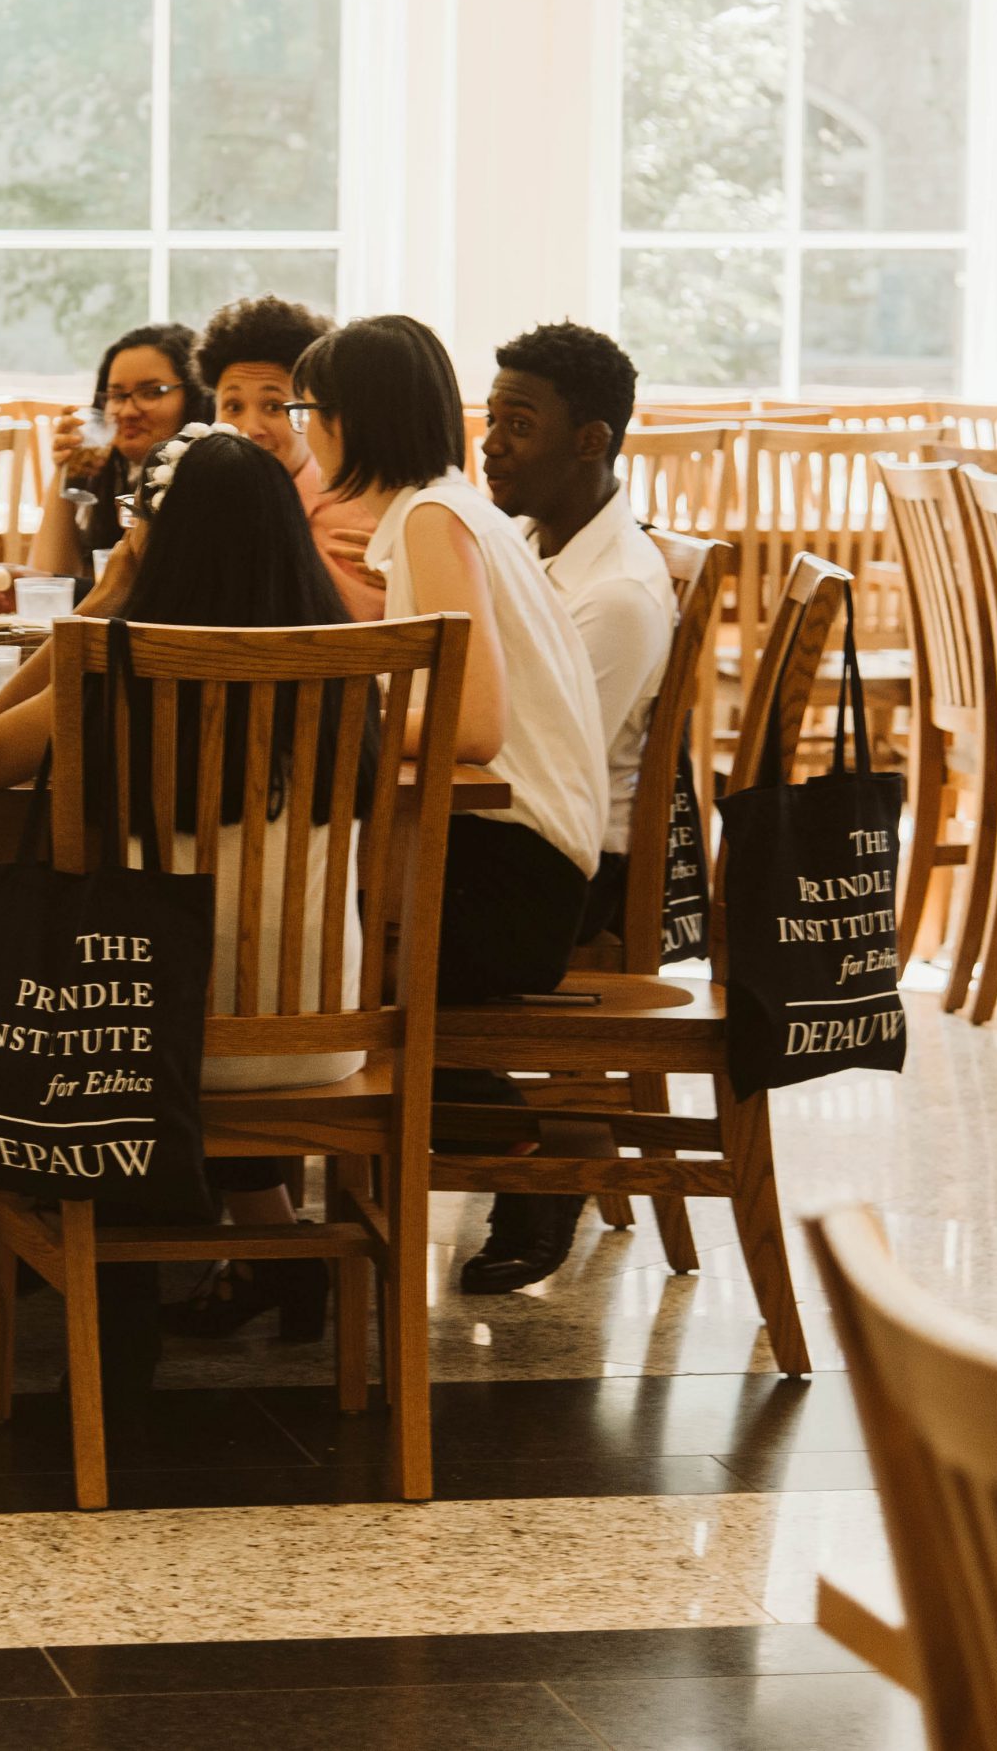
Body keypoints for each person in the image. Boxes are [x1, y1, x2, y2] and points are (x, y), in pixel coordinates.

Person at [0, 426, 376, 1385]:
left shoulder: (125, 672)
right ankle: (283, 1255)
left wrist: (99, 612)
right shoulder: (350, 672)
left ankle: (57, 1265)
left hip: (147, 1046)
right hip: (325, 1040)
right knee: (206, 963)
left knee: (144, 976)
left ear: (155, 540)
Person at [290, 314, 611, 1295]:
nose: (302, 433)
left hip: (515, 876)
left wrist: (314, 721)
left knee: (285, 937)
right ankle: (302, 1208)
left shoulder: (432, 520)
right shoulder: (439, 510)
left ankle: (523, 1144)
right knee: (293, 913)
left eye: (306, 411)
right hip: (502, 855)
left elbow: (466, 722)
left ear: (348, 419)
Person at [479, 323, 671, 943]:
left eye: (520, 426)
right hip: (512, 836)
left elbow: (541, 760)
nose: (490, 446)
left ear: (590, 441)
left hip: (565, 873)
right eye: (491, 420)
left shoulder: (618, 596)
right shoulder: (524, 540)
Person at [194, 295, 384, 620]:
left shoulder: (354, 517)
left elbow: (356, 644)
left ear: (313, 413)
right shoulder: (199, 503)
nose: (250, 429)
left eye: (273, 407)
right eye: (233, 407)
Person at [26, 323, 201, 581]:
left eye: (152, 392)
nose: (128, 411)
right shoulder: (115, 477)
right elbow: (50, 585)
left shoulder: (206, 484)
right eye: (117, 396)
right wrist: (64, 474)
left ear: (195, 396)